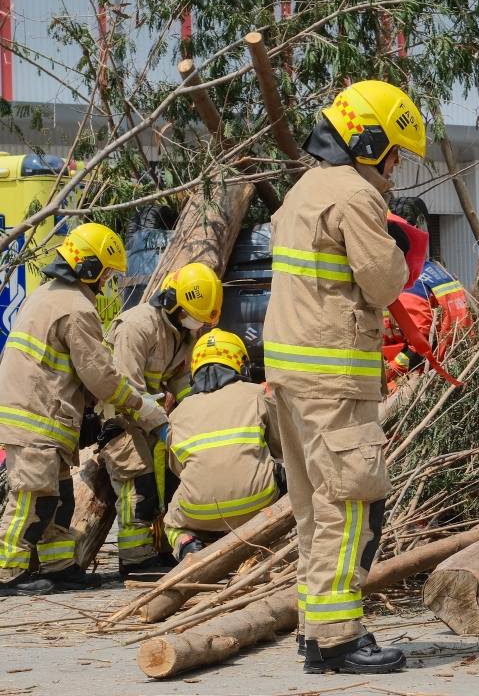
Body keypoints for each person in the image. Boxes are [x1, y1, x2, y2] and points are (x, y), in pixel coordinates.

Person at [266, 80, 417, 675]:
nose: (395, 168)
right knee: (352, 504)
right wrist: (398, 247)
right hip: (333, 378)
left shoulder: (301, 190)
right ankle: (339, 640)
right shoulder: (356, 195)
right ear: (370, 141)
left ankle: (315, 631)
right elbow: (382, 283)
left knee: (313, 506)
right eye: (394, 154)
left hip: (291, 377)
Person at [0, 224, 166, 595]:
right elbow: (101, 377)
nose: (106, 282)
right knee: (32, 497)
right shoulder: (76, 308)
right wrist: (141, 406)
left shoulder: (46, 294)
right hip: (37, 418)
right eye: (106, 274)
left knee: (57, 499)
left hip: (41, 416)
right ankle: (6, 572)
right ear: (89, 267)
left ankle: (60, 568)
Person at [100, 262, 222, 576]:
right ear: (171, 302)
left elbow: (181, 380)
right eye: (193, 317)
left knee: (171, 483)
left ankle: (167, 548)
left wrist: (198, 409)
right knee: (138, 483)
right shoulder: (137, 325)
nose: (197, 325)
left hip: (150, 417)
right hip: (120, 417)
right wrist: (159, 423)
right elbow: (124, 386)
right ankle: (135, 560)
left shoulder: (183, 333)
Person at [164, 329, 282, 560]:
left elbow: (178, 468)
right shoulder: (257, 394)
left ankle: (188, 544)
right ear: (241, 365)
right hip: (260, 500)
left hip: (198, 510)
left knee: (171, 522)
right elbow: (279, 446)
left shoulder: (178, 413)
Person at [384, 260, 472, 377]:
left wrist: (388, 373)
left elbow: (420, 348)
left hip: (442, 369)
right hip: (465, 355)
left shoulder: (408, 289)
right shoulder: (430, 269)